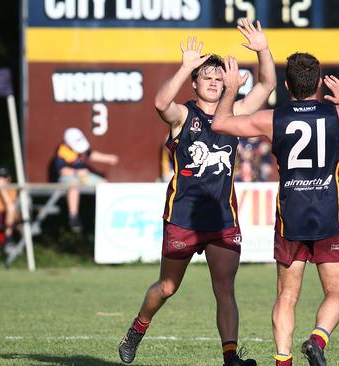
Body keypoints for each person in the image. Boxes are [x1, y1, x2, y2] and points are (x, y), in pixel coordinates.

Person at [212, 53, 339, 366]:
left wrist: (230, 90)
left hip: (291, 215)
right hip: (329, 214)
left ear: (286, 85)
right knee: (337, 291)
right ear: (320, 83)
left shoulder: (272, 118)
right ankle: (317, 339)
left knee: (286, 295)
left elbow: (220, 123)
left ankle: (284, 362)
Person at [118, 19, 276, 366]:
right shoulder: (183, 115)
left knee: (225, 289)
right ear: (195, 82)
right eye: (208, 77)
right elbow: (161, 103)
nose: (215, 82)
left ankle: (230, 357)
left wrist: (263, 48)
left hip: (221, 219)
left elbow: (266, 85)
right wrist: (185, 65)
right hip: (184, 218)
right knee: (167, 288)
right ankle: (137, 329)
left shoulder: (233, 113)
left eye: (220, 78)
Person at [53, 127, 119, 232]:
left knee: (105, 184)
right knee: (73, 187)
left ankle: (108, 213)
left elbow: (91, 155)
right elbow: (62, 170)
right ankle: (73, 216)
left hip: (83, 175)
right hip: (69, 177)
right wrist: (76, 172)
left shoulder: (81, 149)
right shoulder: (62, 151)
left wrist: (108, 158)